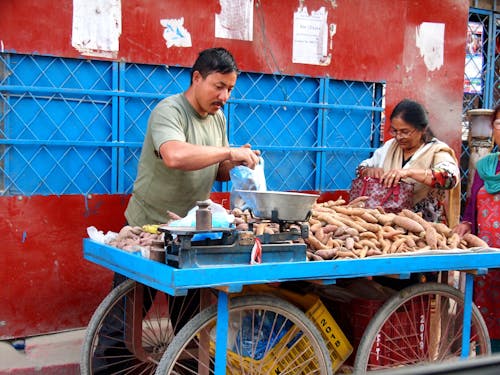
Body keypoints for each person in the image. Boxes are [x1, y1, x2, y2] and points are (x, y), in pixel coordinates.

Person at [94, 47, 260, 372]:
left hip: (189, 235)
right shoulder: (169, 111)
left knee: (189, 325)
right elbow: (175, 156)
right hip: (149, 231)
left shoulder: (218, 117)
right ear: (197, 78)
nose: (225, 96)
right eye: (219, 86)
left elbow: (218, 170)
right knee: (123, 326)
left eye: (230, 89)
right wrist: (225, 151)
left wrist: (237, 160)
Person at [356, 98, 461, 227]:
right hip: (385, 224)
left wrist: (409, 173)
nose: (399, 136)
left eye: (405, 132)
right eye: (394, 131)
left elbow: (450, 178)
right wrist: (368, 171)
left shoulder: (436, 151)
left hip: (425, 225)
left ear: (422, 129)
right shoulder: (390, 147)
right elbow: (362, 167)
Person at [453, 104, 500, 352]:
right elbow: (472, 203)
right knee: (487, 320)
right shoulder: (486, 167)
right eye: (499, 124)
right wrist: (466, 224)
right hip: (488, 256)